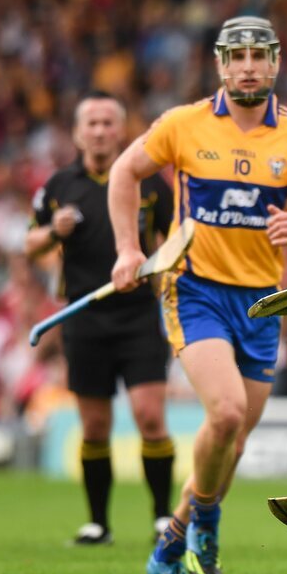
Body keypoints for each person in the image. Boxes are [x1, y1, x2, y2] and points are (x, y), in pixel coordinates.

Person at [108, 16, 287, 574]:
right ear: (220, 64)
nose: (248, 66)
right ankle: (207, 526)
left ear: (275, 63)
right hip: (195, 290)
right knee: (227, 411)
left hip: (263, 302)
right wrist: (126, 250)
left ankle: (175, 537)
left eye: (259, 55)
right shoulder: (183, 124)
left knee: (232, 444)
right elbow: (124, 172)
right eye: (237, 56)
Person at [25, 91, 175, 545]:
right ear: (76, 132)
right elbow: (30, 242)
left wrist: (159, 267)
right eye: (91, 123)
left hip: (139, 315)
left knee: (150, 417)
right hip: (85, 318)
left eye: (109, 122)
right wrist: (54, 232)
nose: (100, 130)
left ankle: (162, 518)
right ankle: (97, 523)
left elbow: (176, 240)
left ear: (122, 130)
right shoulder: (59, 186)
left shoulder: (149, 183)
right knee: (94, 425)